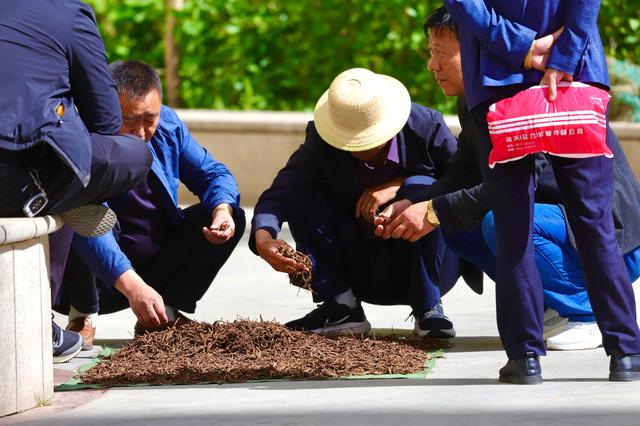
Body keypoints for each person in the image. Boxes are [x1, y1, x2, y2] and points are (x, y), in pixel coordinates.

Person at [380, 7, 640, 352]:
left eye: (441, 53)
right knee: (460, 222)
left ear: (475, 46)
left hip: (617, 241)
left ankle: (587, 313)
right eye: (430, 53)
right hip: (560, 229)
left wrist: (434, 210)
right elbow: (463, 170)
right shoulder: (474, 101)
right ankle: (546, 309)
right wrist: (415, 204)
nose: (432, 65)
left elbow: (519, 182)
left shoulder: (533, 101)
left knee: (502, 221)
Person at [250, 67, 466, 338]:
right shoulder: (321, 141)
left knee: (420, 186)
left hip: (432, 264)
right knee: (304, 194)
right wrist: (263, 236)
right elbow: (283, 191)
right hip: (360, 265)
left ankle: (429, 308)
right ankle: (342, 307)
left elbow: (464, 181)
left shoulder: (427, 126)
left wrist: (399, 185)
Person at [53, 60, 245, 349]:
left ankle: (163, 314)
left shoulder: (168, 124)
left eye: (149, 119)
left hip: (151, 268)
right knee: (86, 215)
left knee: (231, 214)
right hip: (97, 281)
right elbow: (84, 217)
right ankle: (83, 315)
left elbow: (212, 173)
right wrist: (134, 287)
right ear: (104, 107)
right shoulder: (81, 134)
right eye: (129, 121)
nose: (141, 132)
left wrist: (222, 211)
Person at [0, 0, 153, 363]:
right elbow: (105, 119)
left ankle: (59, 196)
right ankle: (39, 326)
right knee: (132, 154)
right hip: (14, 181)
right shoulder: (69, 12)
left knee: (71, 167)